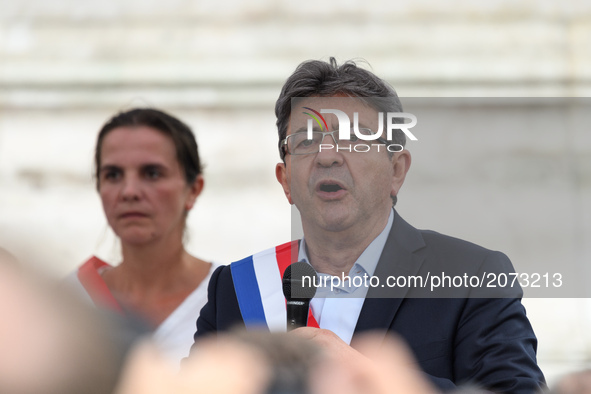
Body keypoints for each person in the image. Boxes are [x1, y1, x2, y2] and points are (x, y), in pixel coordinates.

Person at [194, 58, 546, 392]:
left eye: (353, 138)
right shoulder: (235, 290)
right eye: (306, 140)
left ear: (396, 170)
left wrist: (372, 380)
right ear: (285, 180)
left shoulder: (472, 276)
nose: (327, 156)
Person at [67, 108, 217, 363]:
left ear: (193, 189)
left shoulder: (231, 298)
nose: (129, 191)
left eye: (152, 173)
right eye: (113, 175)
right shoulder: (69, 303)